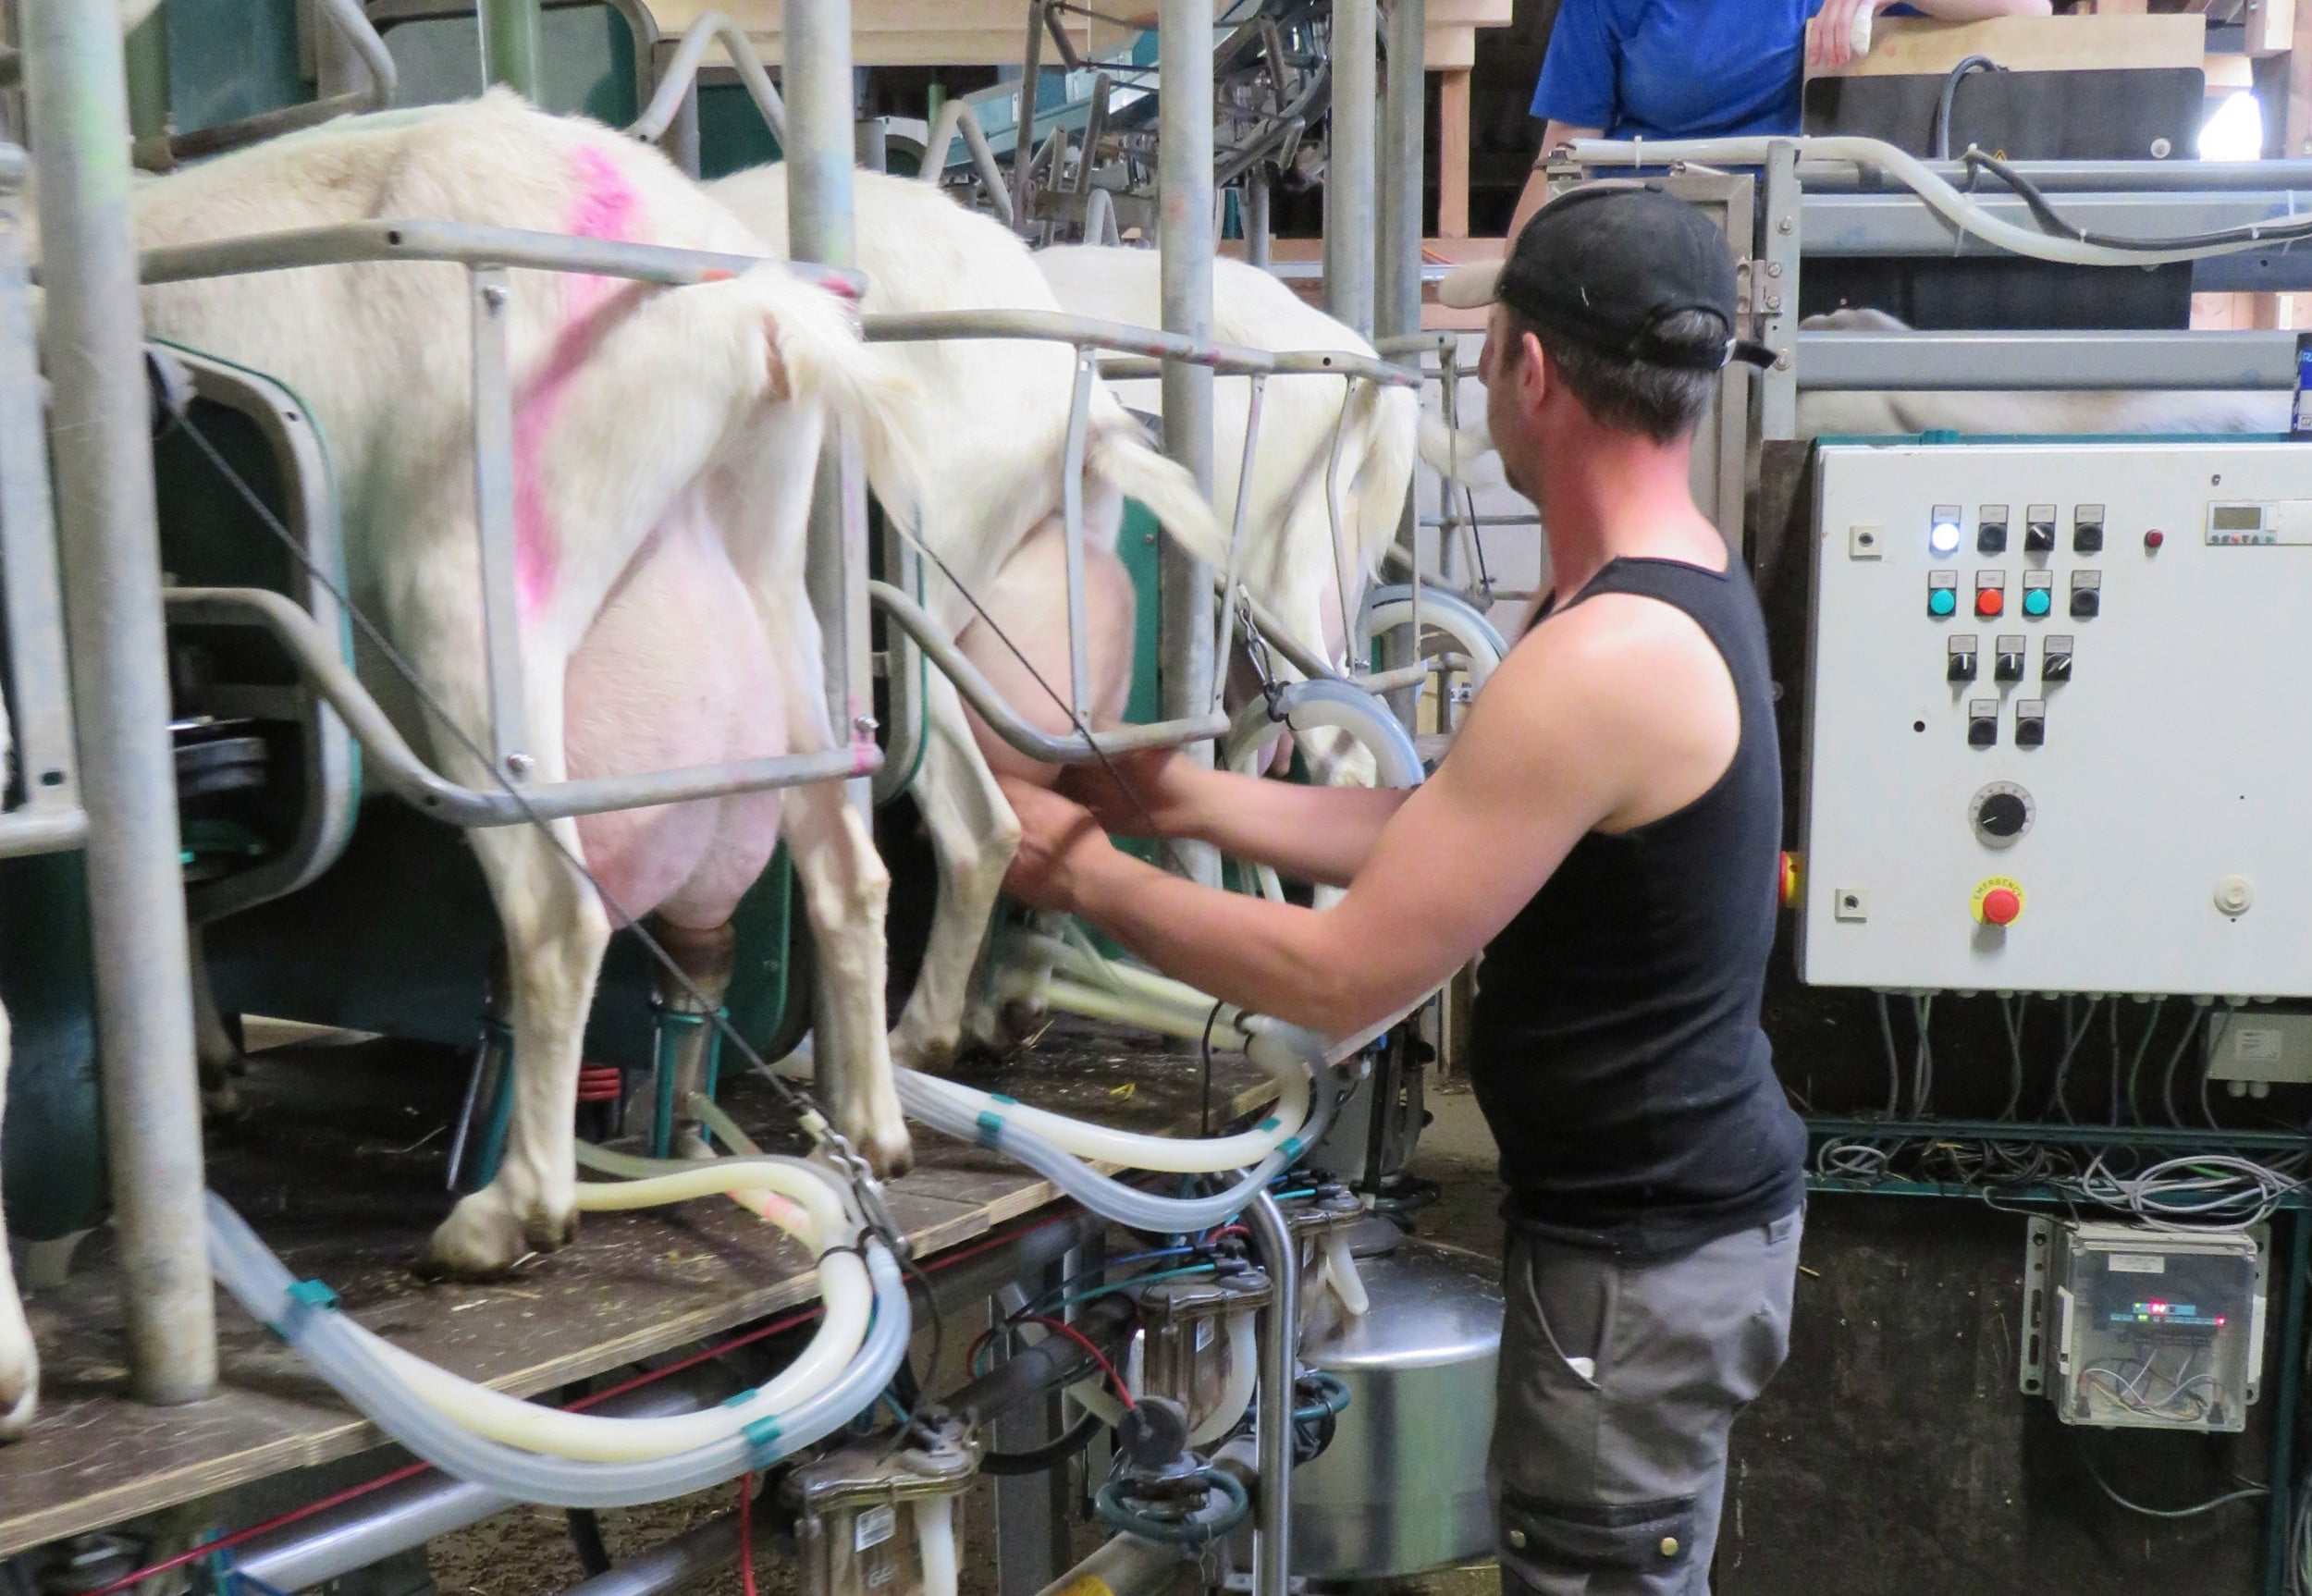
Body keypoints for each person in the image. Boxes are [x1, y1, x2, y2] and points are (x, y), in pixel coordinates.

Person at [995, 186, 1808, 1594]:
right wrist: (1173, 797)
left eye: (1484, 351)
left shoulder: (1604, 654)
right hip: (1657, 1238)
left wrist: (1080, 873)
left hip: (1641, 1265)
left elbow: (1343, 975)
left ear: (1529, 368)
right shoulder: (1655, 583)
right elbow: (1445, 832)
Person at [1507, 0, 2054, 238]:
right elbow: (1565, 155)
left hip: (1793, 244)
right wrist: (1513, 300)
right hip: (1639, 236)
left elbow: (2032, 11)